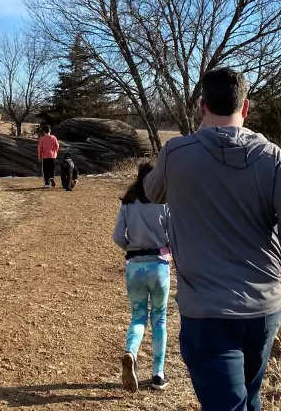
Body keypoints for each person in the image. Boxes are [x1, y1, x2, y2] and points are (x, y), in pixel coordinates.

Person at [143, 67, 281, 411]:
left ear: (201, 106)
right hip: (263, 311)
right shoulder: (272, 158)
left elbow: (153, 191)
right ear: (245, 108)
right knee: (248, 399)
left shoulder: (176, 153)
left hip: (206, 313)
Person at [112, 160, 171, 393]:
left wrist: (131, 248)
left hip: (135, 267)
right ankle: (158, 374)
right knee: (160, 320)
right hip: (159, 267)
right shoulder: (164, 203)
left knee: (138, 317)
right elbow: (173, 234)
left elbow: (117, 236)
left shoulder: (127, 203)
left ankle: (132, 352)